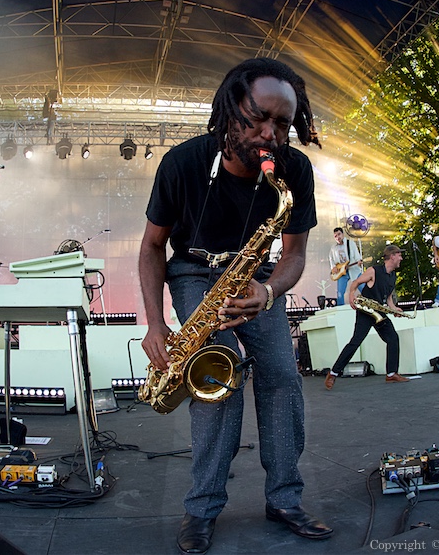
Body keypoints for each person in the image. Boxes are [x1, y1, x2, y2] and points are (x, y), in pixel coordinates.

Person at [139, 58, 332, 554]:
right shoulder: (182, 163)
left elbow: (293, 256)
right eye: (259, 117)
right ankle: (201, 508)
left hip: (255, 279)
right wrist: (156, 324)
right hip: (193, 271)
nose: (270, 134)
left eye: (282, 124)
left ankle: (285, 499)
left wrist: (268, 292)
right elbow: (152, 247)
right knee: (219, 378)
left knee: (283, 379)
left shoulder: (292, 171)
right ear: (230, 110)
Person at [324, 245, 410, 389]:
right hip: (365, 310)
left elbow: (388, 299)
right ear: (392, 256)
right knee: (356, 342)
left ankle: (391, 374)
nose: (401, 258)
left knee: (393, 338)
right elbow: (355, 282)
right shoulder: (374, 271)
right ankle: (333, 373)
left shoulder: (393, 276)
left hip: (379, 312)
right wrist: (351, 295)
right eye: (399, 255)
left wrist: (395, 309)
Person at [329, 226, 363, 305]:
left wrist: (358, 261)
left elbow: (357, 256)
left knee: (362, 288)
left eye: (339, 234)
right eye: (335, 236)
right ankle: (341, 309)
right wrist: (333, 267)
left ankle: (370, 306)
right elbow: (331, 258)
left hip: (353, 269)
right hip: (341, 272)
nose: (338, 237)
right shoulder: (333, 248)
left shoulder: (350, 243)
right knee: (340, 293)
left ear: (343, 234)